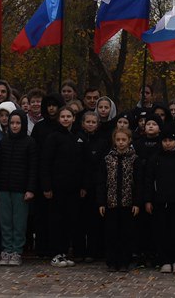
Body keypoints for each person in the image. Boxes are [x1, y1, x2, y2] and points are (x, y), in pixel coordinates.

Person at [145, 128, 175, 273]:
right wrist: (148, 200)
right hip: (159, 202)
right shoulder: (155, 159)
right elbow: (149, 180)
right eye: (165, 141)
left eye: (170, 141)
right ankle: (164, 260)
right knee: (162, 231)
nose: (167, 144)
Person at [0, 111, 37, 267]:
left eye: (18, 123)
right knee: (5, 221)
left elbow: (33, 168)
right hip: (4, 188)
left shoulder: (30, 142)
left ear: (23, 124)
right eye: (12, 123)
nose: (15, 126)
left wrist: (30, 189)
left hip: (21, 190)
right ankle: (6, 249)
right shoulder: (4, 142)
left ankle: (17, 250)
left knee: (19, 221)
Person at [41, 106, 81, 267]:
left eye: (68, 116)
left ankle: (64, 252)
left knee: (68, 220)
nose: (65, 119)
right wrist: (47, 186)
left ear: (73, 118)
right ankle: (55, 253)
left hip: (71, 189)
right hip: (56, 188)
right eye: (62, 116)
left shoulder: (76, 137)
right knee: (56, 221)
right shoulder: (53, 138)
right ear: (58, 119)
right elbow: (45, 163)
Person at [98, 127, 141, 272]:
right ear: (114, 141)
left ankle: (124, 261)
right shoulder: (108, 158)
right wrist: (101, 202)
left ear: (129, 141)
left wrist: (136, 202)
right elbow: (101, 182)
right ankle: (111, 261)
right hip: (111, 202)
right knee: (111, 233)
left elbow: (138, 182)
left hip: (128, 203)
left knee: (126, 233)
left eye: (124, 140)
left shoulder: (134, 159)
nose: (121, 143)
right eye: (118, 140)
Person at [75, 110, 107, 261]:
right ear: (82, 123)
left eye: (93, 122)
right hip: (80, 184)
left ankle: (92, 251)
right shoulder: (77, 138)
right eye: (88, 122)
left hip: (96, 185)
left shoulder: (102, 140)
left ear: (98, 124)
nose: (90, 124)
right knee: (80, 220)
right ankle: (79, 251)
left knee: (94, 221)